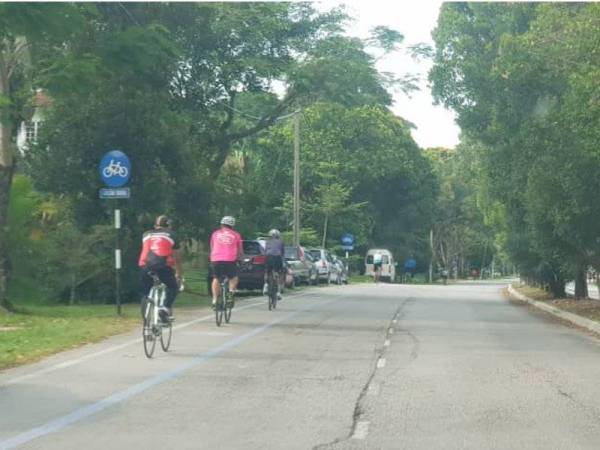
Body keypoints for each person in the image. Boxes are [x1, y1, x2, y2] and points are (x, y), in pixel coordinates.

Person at [139, 215, 183, 321]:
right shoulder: (172, 235)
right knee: (173, 287)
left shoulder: (145, 234)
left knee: (145, 291)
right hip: (163, 266)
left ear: (155, 226)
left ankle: (146, 315)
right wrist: (179, 273)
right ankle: (165, 308)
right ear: (169, 226)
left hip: (145, 266)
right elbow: (177, 257)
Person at [209, 216, 243, 308]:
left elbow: (212, 247)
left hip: (216, 259)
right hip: (230, 260)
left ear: (221, 224)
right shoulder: (236, 235)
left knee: (216, 278)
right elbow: (240, 251)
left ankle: (215, 300)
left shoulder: (215, 234)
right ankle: (231, 293)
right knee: (234, 277)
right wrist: (240, 260)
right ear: (232, 225)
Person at [263, 229, 285, 300]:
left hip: (268, 257)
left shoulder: (267, 241)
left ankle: (266, 285)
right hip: (277, 258)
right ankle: (278, 292)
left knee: (267, 271)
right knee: (280, 273)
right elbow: (282, 253)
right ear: (278, 235)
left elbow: (265, 251)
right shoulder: (281, 241)